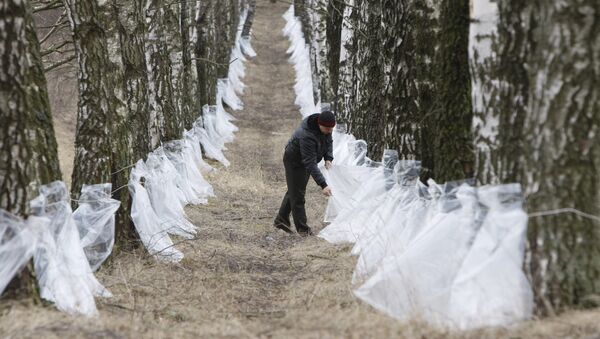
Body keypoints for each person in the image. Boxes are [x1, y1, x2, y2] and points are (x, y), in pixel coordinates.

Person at [274, 111, 335, 236]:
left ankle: (281, 220)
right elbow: (310, 163)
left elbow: (328, 141)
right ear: (319, 125)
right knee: (298, 196)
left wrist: (328, 157)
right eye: (328, 129)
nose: (330, 131)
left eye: (331, 129)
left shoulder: (326, 126)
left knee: (295, 190)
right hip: (295, 162)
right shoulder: (307, 135)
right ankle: (303, 230)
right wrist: (323, 185)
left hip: (305, 161)